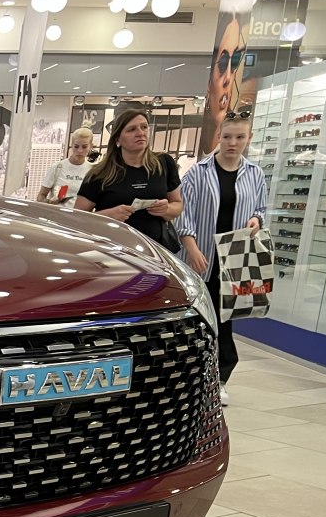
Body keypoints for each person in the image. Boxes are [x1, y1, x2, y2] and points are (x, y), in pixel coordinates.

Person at [176, 110, 267, 407]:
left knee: (225, 316)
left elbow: (260, 208)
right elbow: (183, 214)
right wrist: (191, 248)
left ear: (248, 138)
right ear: (219, 137)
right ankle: (190, 374)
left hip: (234, 256)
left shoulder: (254, 174)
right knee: (200, 315)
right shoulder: (198, 172)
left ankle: (221, 377)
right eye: (227, 137)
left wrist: (255, 220)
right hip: (201, 253)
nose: (232, 143)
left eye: (239, 137)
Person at [74, 110, 183, 251]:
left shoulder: (164, 163)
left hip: (156, 252)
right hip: (111, 251)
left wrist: (166, 209)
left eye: (144, 127)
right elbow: (78, 219)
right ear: (117, 139)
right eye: (132, 129)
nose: (140, 133)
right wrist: (108, 215)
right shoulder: (100, 173)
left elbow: (178, 205)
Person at [202, 13, 248, 157]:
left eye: (234, 61)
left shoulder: (253, 172)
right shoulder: (197, 170)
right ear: (209, 82)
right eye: (222, 64)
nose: (228, 77)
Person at [37, 127, 93, 207]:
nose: (80, 151)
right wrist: (49, 202)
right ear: (72, 146)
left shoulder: (92, 170)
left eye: (84, 147)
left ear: (90, 146)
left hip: (78, 216)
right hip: (56, 215)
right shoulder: (57, 167)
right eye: (76, 146)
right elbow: (40, 196)